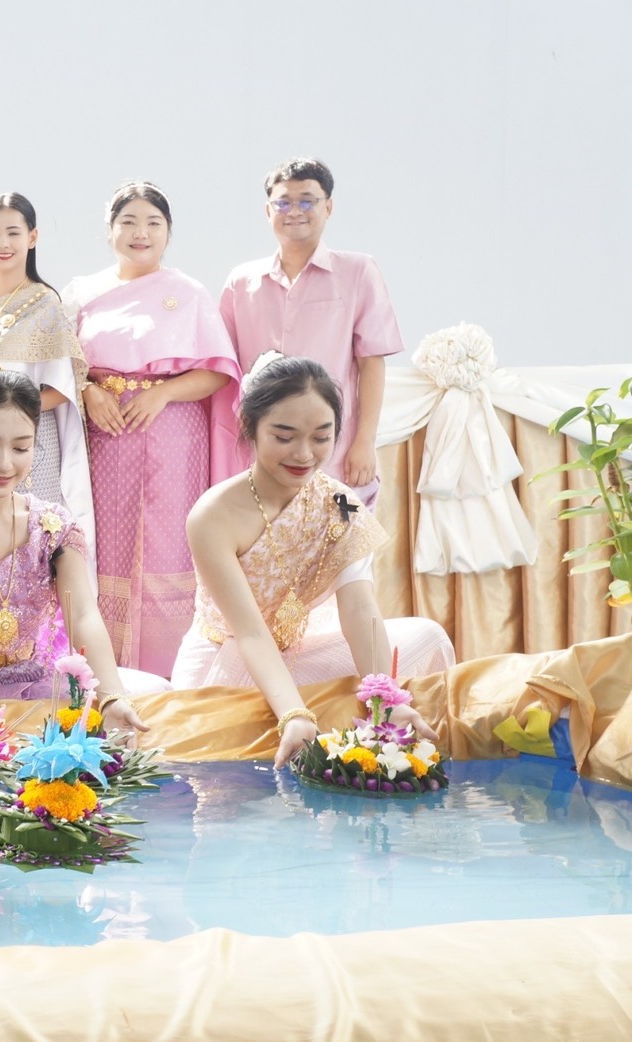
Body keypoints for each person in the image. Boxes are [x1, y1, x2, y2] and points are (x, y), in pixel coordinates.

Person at [170, 355, 454, 766]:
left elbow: (360, 609)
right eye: (284, 437)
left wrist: (384, 698)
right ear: (250, 426)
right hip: (226, 661)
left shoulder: (340, 503)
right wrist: (294, 714)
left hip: (296, 653)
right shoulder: (212, 515)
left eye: (321, 437)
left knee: (428, 636)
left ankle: (397, 741)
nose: (304, 454)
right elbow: (250, 633)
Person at [0, 370, 169, 742]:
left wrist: (112, 697)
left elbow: (83, 614)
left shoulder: (52, 524)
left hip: (40, 680)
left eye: (20, 448)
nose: (4, 464)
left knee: (152, 703)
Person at [65, 182, 242, 678]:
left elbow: (218, 372)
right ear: (109, 230)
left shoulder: (188, 293)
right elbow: (63, 364)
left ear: (168, 233)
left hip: (173, 437)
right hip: (106, 435)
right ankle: (105, 672)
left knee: (170, 543)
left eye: (153, 223)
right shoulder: (81, 293)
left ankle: (173, 673)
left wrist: (162, 393)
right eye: (128, 222)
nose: (140, 233)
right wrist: (89, 391)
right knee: (105, 541)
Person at [219, 156, 403, 506]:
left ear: (328, 207)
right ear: (268, 210)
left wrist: (365, 442)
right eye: (283, 202)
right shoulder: (241, 281)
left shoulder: (358, 271)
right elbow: (225, 371)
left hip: (332, 447)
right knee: (262, 536)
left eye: (307, 201)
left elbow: (371, 363)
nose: (294, 211)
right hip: (262, 447)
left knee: (339, 534)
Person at [0, 193, 93, 539]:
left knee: (34, 531)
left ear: (32, 237)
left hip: (31, 436)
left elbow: (63, 387)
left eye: (13, 233)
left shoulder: (46, 302)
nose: (4, 243)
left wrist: (11, 412)